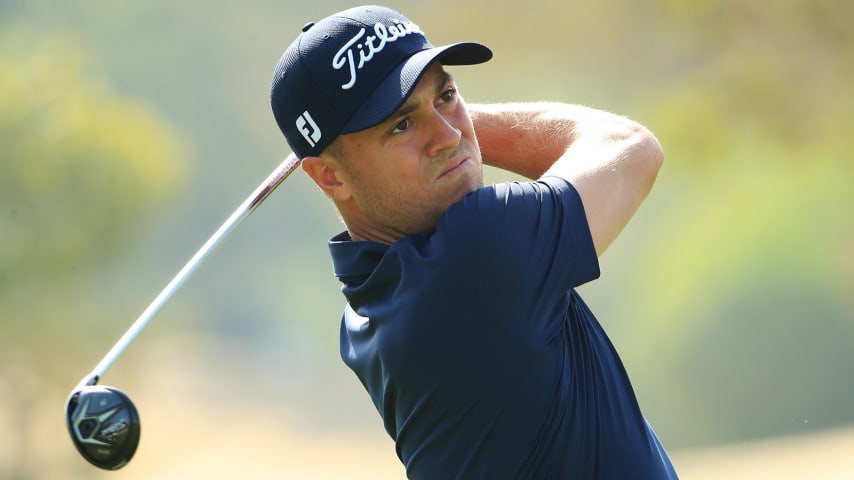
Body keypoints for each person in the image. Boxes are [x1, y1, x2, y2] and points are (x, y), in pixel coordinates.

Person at [270, 5, 677, 479]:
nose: (447, 134)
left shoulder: (364, 309)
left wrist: (444, 127)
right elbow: (629, 147)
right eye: (400, 125)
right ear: (329, 176)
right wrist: (462, 127)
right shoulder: (475, 252)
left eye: (446, 94)